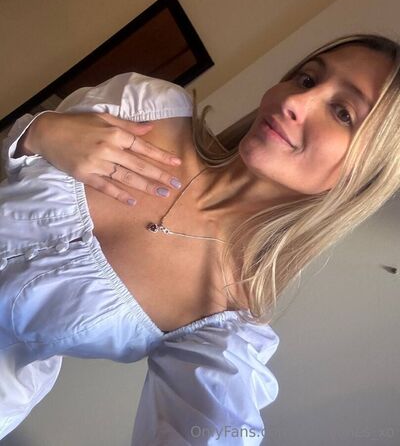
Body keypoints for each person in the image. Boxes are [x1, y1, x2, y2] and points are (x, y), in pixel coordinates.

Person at [1, 32, 399, 444]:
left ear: (363, 177)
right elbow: (15, 173)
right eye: (307, 79)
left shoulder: (221, 323)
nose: (295, 102)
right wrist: (38, 131)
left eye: (343, 113)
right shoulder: (145, 107)